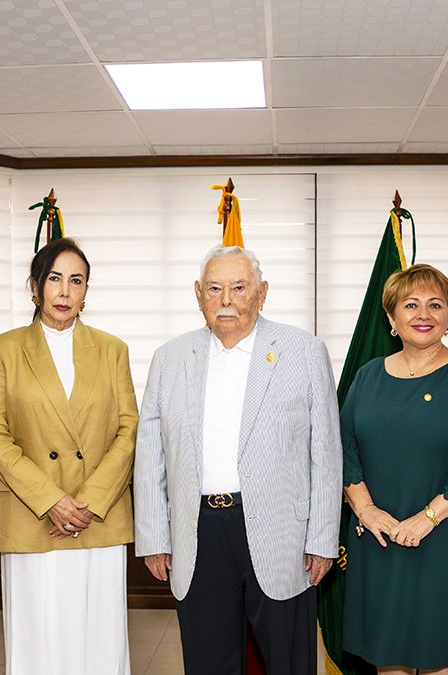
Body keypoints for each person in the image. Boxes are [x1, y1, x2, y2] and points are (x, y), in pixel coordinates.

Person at [134, 245, 342, 675]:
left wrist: (322, 539)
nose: (226, 300)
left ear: (262, 293)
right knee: (208, 661)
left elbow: (325, 452)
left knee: (289, 662)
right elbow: (151, 451)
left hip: (282, 535)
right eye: (214, 288)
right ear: (198, 294)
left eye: (239, 287)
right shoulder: (170, 358)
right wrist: (154, 537)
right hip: (199, 533)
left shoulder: (304, 351)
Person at [340, 263, 448, 675]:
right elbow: (343, 450)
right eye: (411, 304)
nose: (424, 314)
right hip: (379, 537)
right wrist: (366, 511)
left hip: (443, 538)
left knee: (438, 658)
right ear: (391, 318)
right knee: (387, 657)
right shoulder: (367, 377)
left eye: (435, 305)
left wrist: (426, 519)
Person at [0, 237, 138, 675]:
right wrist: (52, 500)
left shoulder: (113, 350)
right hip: (32, 514)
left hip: (96, 514)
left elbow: (128, 430)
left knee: (100, 634)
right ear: (35, 287)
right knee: (39, 634)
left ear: (86, 291)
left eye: (76, 280)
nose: (65, 291)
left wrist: (88, 502)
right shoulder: (0, 351)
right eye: (54, 279)